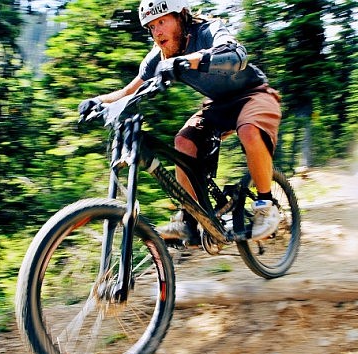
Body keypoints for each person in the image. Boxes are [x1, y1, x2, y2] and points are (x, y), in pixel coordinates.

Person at [78, 0, 281, 243]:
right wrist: (99, 101)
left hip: (253, 94)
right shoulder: (159, 56)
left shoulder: (208, 30)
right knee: (184, 142)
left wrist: (190, 60)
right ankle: (190, 219)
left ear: (181, 16)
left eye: (162, 21)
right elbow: (129, 90)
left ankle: (266, 206)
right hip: (217, 104)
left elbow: (236, 53)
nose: (157, 32)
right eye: (151, 27)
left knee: (248, 130)